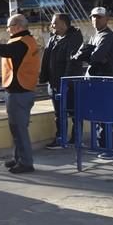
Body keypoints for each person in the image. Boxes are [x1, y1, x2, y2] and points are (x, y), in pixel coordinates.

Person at [0, 14, 40, 174]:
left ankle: (26, 162)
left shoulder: (22, 43)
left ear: (18, 27)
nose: (7, 30)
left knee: (19, 129)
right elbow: (6, 50)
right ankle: (18, 158)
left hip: (20, 92)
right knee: (17, 128)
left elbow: (2, 50)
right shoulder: (25, 41)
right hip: (21, 90)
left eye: (9, 26)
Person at [71, 6, 113, 159]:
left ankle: (111, 148)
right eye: (93, 17)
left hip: (106, 82)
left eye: (99, 17)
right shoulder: (96, 36)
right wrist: (86, 53)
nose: (96, 19)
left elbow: (94, 57)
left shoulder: (107, 36)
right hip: (97, 82)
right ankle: (101, 145)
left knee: (107, 117)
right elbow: (86, 53)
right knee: (98, 116)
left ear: (106, 19)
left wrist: (86, 53)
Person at [39, 13, 83, 149]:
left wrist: (66, 82)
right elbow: (46, 59)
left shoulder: (74, 39)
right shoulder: (54, 38)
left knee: (74, 112)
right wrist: (44, 78)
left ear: (64, 24)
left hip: (68, 83)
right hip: (53, 82)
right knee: (59, 113)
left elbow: (71, 63)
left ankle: (75, 139)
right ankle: (61, 138)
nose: (52, 26)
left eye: (54, 23)